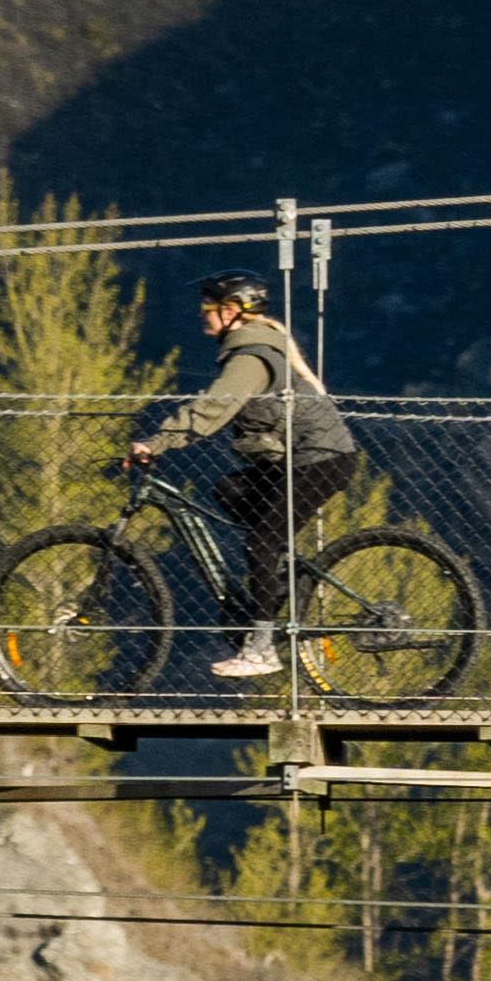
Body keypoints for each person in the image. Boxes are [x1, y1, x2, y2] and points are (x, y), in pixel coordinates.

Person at [128, 268, 358, 683]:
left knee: (261, 539)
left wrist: (158, 443)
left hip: (320, 458)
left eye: (208, 307)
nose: (202, 314)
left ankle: (261, 648)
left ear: (232, 311)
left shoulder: (250, 357)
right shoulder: (249, 347)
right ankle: (278, 580)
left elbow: (215, 407)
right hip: (297, 461)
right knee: (229, 489)